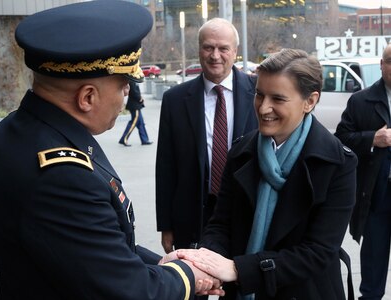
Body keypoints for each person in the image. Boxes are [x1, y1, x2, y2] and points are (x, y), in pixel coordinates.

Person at [0, 1, 224, 299]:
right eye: (123, 84)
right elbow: (130, 291)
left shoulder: (17, 129)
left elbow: (94, 249)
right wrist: (189, 276)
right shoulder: (63, 176)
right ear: (87, 98)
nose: (126, 94)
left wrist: (161, 264)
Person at [176, 49, 358, 299]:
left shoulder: (337, 163)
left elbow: (318, 252)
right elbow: (221, 224)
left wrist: (239, 269)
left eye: (278, 99)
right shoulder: (241, 152)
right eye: (259, 95)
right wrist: (206, 262)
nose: (263, 108)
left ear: (310, 101)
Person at [155, 17, 258, 254]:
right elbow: (166, 167)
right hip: (191, 217)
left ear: (235, 52)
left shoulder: (259, 93)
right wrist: (167, 225)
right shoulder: (175, 100)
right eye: (208, 47)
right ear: (199, 49)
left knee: (236, 287)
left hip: (244, 215)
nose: (215, 55)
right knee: (193, 287)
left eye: (223, 48)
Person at [335, 43, 391, 300]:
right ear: (382, 65)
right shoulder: (361, 101)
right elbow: (342, 139)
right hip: (377, 195)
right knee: (373, 269)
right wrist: (372, 139)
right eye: (390, 61)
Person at [119, 80, 153, 146]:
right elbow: (133, 92)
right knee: (133, 123)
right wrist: (140, 98)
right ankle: (123, 139)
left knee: (141, 123)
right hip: (134, 106)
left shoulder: (134, 80)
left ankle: (144, 140)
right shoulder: (131, 80)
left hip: (136, 105)